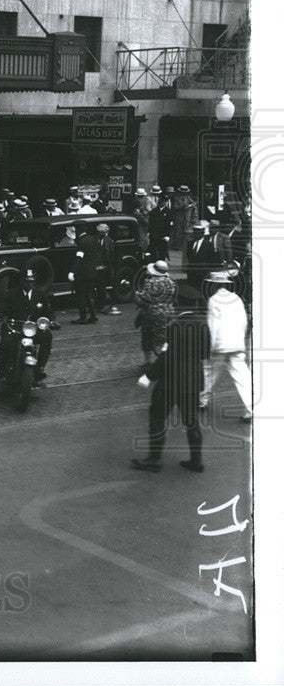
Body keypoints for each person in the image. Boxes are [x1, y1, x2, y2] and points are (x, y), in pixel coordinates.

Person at [131, 309, 208, 473]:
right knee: (191, 421)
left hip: (171, 382)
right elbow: (204, 354)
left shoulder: (175, 327)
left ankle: (154, 459)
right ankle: (196, 461)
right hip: (193, 381)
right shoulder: (203, 326)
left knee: (158, 417)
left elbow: (167, 356)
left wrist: (149, 376)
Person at [199, 271, 253, 421]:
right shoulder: (236, 298)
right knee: (242, 376)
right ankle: (251, 408)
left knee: (208, 372)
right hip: (236, 343)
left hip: (220, 345)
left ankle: (202, 401)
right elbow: (244, 321)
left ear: (212, 285)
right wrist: (241, 340)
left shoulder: (213, 300)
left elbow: (213, 325)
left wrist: (210, 346)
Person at [0, 269, 54, 386]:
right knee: (6, 341)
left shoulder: (40, 294)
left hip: (33, 329)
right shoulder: (11, 294)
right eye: (27, 281)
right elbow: (2, 309)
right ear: (21, 281)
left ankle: (40, 369)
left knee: (47, 336)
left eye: (32, 281)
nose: (30, 284)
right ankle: (2, 369)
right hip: (15, 328)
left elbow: (48, 312)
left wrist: (53, 321)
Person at [134, 259, 177, 367]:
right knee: (165, 338)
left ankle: (150, 362)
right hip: (169, 311)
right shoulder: (171, 281)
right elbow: (174, 297)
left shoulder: (151, 282)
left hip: (152, 313)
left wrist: (137, 296)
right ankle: (167, 360)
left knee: (148, 337)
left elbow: (145, 300)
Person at [69, 223, 99, 324]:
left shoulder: (81, 242)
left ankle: (83, 317)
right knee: (89, 294)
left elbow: (79, 258)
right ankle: (93, 315)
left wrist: (73, 271)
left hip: (83, 273)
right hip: (92, 272)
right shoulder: (92, 239)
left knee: (81, 295)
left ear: (77, 230)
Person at [94, 223, 120, 315]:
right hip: (94, 267)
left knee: (102, 288)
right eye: (102, 232)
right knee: (92, 288)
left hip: (104, 267)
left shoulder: (109, 241)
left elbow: (111, 253)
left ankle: (100, 306)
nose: (104, 234)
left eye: (104, 232)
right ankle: (93, 305)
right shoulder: (93, 240)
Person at [171, 185, 197, 251]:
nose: (184, 193)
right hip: (178, 217)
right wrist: (183, 206)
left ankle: (185, 246)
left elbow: (194, 203)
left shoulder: (188, 197)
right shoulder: (176, 198)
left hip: (186, 217)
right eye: (183, 192)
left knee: (186, 232)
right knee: (177, 232)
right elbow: (175, 207)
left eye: (185, 192)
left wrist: (190, 205)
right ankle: (176, 246)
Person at [148, 197, 174, 261]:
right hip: (154, 233)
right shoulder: (154, 211)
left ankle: (161, 264)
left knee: (162, 251)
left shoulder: (168, 212)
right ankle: (153, 263)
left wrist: (168, 235)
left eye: (164, 201)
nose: (162, 203)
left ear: (165, 203)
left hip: (163, 234)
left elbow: (170, 224)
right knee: (153, 250)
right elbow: (150, 222)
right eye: (161, 201)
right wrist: (148, 231)